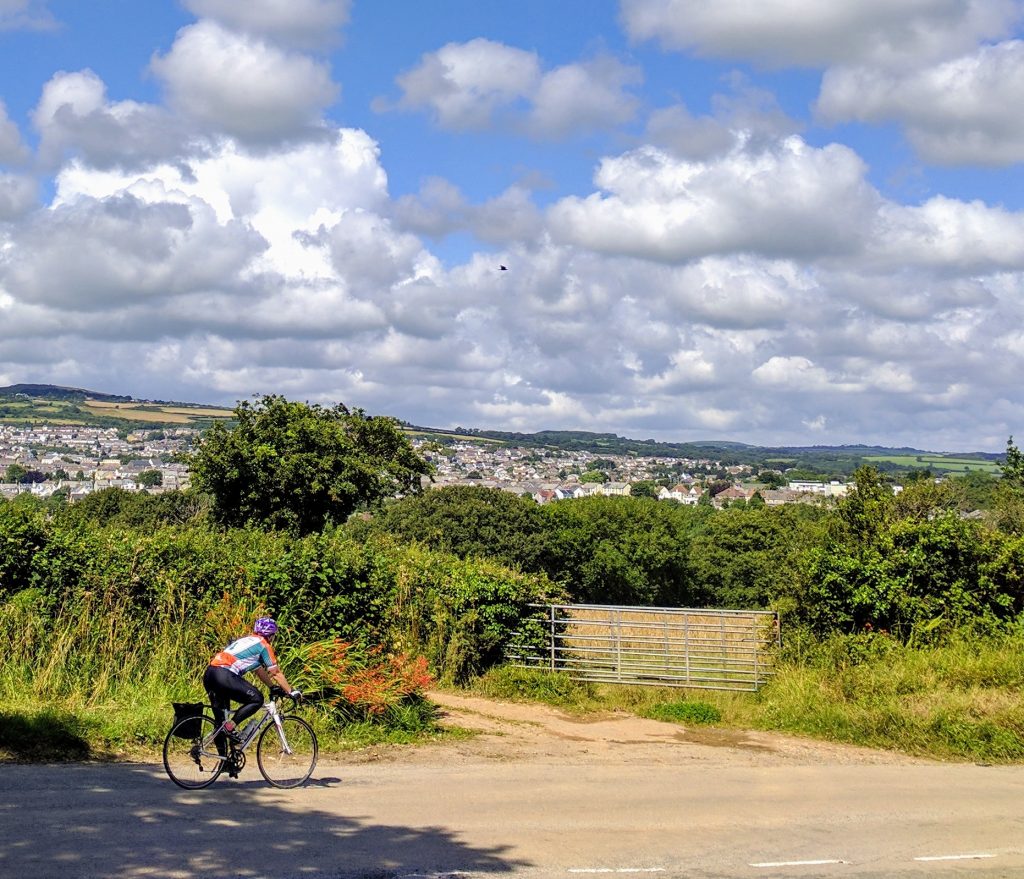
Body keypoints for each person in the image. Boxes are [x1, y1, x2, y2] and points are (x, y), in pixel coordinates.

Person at [203, 616, 300, 745]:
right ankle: (230, 726)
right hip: (224, 675)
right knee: (257, 699)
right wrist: (291, 691)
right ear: (271, 635)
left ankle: (225, 762)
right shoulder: (263, 645)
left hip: (210, 674)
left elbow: (258, 669)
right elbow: (275, 672)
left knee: (220, 723)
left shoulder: (246, 641)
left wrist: (272, 687)